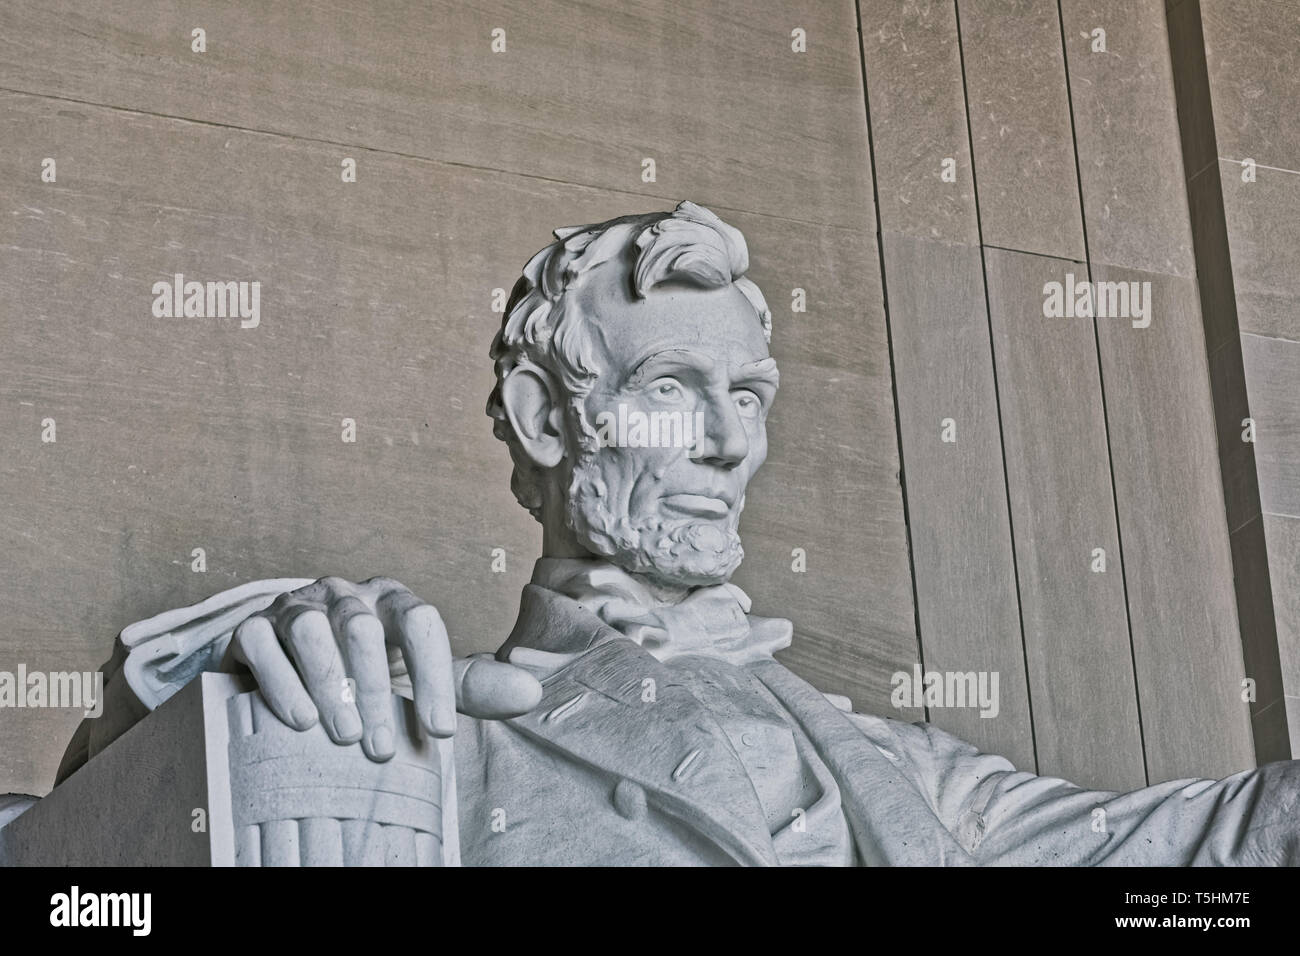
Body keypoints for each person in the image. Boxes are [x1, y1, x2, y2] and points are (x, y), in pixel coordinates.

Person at [41, 202, 1300, 865]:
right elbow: (76, 870)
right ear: (547, 416)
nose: (727, 442)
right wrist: (245, 655)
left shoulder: (893, 769)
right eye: (669, 392)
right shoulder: (440, 721)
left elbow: (1190, 853)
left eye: (745, 396)